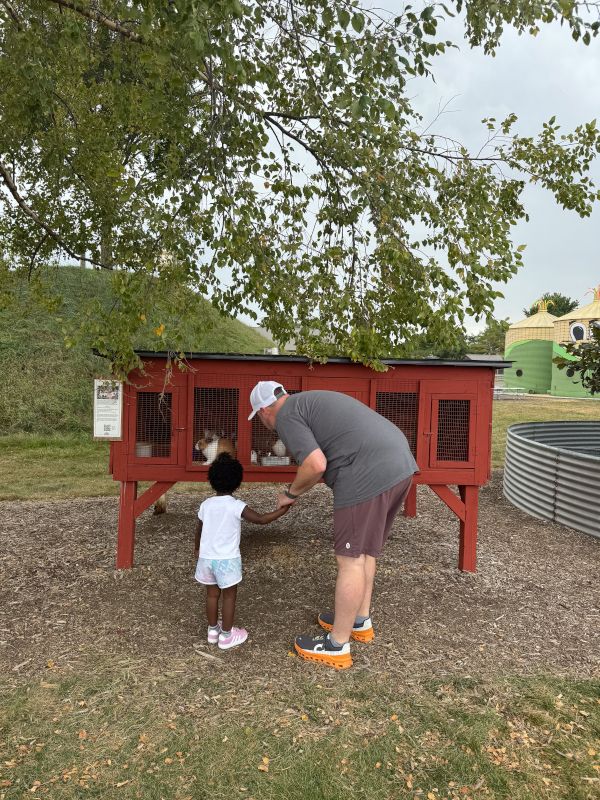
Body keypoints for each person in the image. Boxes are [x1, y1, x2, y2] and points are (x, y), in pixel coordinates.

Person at [248, 381, 418, 669]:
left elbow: (315, 464)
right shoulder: (308, 402)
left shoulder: (286, 415)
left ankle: (337, 645)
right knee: (365, 551)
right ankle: (359, 621)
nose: (263, 423)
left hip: (367, 472)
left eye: (259, 417)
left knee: (349, 558)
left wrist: (290, 494)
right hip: (400, 463)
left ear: (264, 410)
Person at [194, 452, 289, 650]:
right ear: (237, 482)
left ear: (211, 480)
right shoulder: (236, 506)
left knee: (212, 595)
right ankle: (227, 636)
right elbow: (261, 519)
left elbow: (199, 529)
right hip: (227, 560)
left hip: (206, 558)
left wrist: (197, 549)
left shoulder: (206, 505)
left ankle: (212, 631)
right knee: (229, 596)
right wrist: (283, 510)